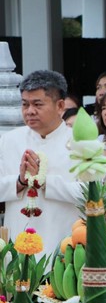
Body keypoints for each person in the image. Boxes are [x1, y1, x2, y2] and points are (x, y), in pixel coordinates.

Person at [0, 70, 82, 256]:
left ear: (60, 106)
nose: (30, 111)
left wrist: (45, 182)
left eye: (37, 104)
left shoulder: (81, 144)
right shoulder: (8, 141)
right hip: (18, 242)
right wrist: (19, 182)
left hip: (63, 241)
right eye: (25, 104)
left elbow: (90, 194)